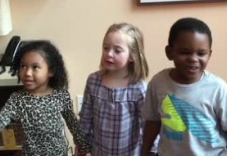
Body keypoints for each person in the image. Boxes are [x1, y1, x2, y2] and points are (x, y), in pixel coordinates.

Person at [0, 41, 90, 156]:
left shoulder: (61, 95)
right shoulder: (18, 99)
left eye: (35, 67)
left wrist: (83, 148)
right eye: (23, 66)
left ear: (51, 71)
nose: (27, 73)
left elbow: (73, 124)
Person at [141, 18, 227, 156]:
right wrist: (144, 152)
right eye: (184, 52)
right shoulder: (158, 83)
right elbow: (153, 122)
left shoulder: (218, 89)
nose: (193, 58)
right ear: (169, 52)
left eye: (201, 53)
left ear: (209, 55)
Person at [79, 23, 155, 156]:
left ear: (132, 56)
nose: (109, 54)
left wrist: (152, 151)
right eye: (106, 48)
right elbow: (85, 117)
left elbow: (147, 124)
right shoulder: (93, 81)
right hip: (98, 152)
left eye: (117, 50)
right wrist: (81, 145)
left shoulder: (137, 87)